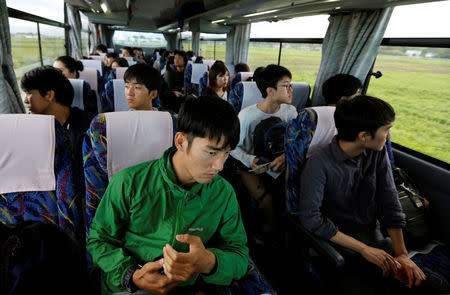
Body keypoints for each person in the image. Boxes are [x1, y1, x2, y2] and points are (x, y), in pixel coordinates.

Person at [87, 96, 248, 295]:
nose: (220, 166)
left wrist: (209, 262)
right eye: (211, 153)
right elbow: (99, 241)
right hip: (133, 286)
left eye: (226, 153)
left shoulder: (222, 193)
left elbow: (239, 254)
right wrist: (131, 275)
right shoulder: (129, 183)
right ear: (181, 141)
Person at [299, 95, 430, 295]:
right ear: (363, 136)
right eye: (386, 130)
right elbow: (311, 219)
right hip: (340, 247)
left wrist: (402, 254)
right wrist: (363, 249)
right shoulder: (319, 163)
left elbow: (389, 202)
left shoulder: (377, 153)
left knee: (427, 285)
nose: (388, 136)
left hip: (376, 239)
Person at [230, 64, 297, 241]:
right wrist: (251, 159)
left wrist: (284, 157)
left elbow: (295, 143)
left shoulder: (290, 112)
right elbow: (232, 147)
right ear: (270, 91)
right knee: (267, 201)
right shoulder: (247, 116)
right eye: (285, 86)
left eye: (291, 85)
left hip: (280, 163)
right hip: (250, 166)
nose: (291, 90)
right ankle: (268, 237)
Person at [21, 66, 95, 188]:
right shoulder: (27, 129)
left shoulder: (89, 128)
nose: (25, 101)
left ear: (49, 95)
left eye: (29, 94)